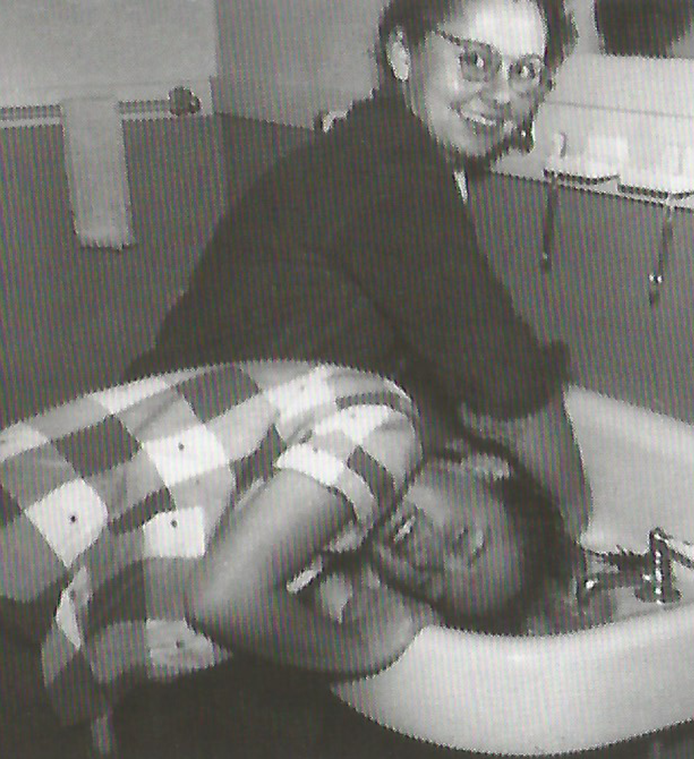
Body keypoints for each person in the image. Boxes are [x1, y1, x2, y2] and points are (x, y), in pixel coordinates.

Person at [123, 0, 591, 544]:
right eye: (475, 61)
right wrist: (573, 527)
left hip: (171, 449)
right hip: (160, 479)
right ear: (402, 53)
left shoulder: (378, 148)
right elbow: (508, 387)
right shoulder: (391, 173)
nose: (503, 94)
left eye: (525, 71)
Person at [0, 360, 569, 756]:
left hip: (32, 601)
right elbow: (218, 599)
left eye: (435, 584)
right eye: (466, 539)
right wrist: (360, 647)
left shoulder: (342, 515)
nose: (429, 558)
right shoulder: (387, 434)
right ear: (485, 468)